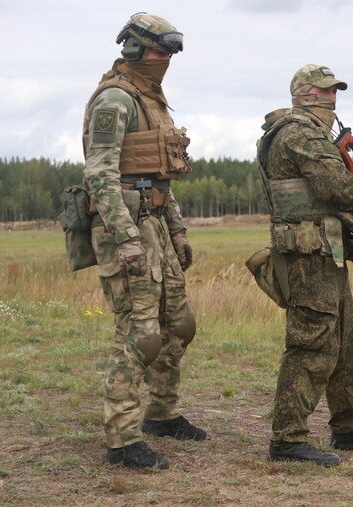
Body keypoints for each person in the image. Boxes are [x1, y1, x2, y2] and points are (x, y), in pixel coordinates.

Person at [256, 64, 353, 466]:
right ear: (301, 94)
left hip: (326, 251)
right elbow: (334, 185)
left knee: (348, 342)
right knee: (312, 345)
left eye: (334, 90)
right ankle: (287, 440)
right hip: (306, 255)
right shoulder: (299, 133)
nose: (330, 98)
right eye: (321, 91)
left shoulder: (309, 132)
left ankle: (348, 427)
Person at [82, 12, 205, 470]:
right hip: (127, 230)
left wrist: (177, 230)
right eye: (158, 51)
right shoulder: (115, 99)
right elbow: (100, 174)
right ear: (133, 48)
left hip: (156, 225)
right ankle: (121, 437)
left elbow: (161, 177)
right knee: (139, 333)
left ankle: (162, 413)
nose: (165, 59)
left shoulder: (153, 101)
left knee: (179, 325)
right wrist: (126, 238)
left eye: (170, 52)